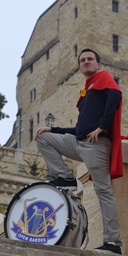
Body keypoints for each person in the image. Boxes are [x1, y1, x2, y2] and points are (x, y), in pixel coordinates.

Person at [34, 48, 123, 254]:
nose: (86, 62)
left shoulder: (104, 78)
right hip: (80, 142)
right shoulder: (89, 90)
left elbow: (116, 96)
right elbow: (79, 129)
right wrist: (52, 128)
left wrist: (101, 127)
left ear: (98, 64)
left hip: (96, 145)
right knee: (44, 137)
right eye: (82, 60)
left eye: (90, 59)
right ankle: (66, 177)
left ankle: (113, 243)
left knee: (104, 192)